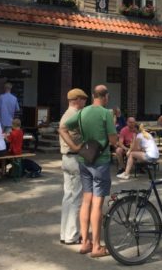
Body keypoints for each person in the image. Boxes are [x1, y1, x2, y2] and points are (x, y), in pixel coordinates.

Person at [60, 85, 117, 258]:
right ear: (106, 97)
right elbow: (113, 140)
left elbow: (62, 128)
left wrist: (75, 147)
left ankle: (85, 242)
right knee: (97, 204)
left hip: (84, 159)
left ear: (93, 96)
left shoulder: (82, 112)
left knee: (85, 201)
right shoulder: (106, 113)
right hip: (100, 161)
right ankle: (97, 246)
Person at [58, 88, 88, 245]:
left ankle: (65, 233)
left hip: (66, 158)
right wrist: (80, 145)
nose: (85, 102)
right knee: (76, 198)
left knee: (68, 196)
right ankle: (72, 235)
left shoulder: (66, 114)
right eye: (83, 99)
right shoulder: (75, 115)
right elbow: (71, 135)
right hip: (75, 158)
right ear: (77, 100)